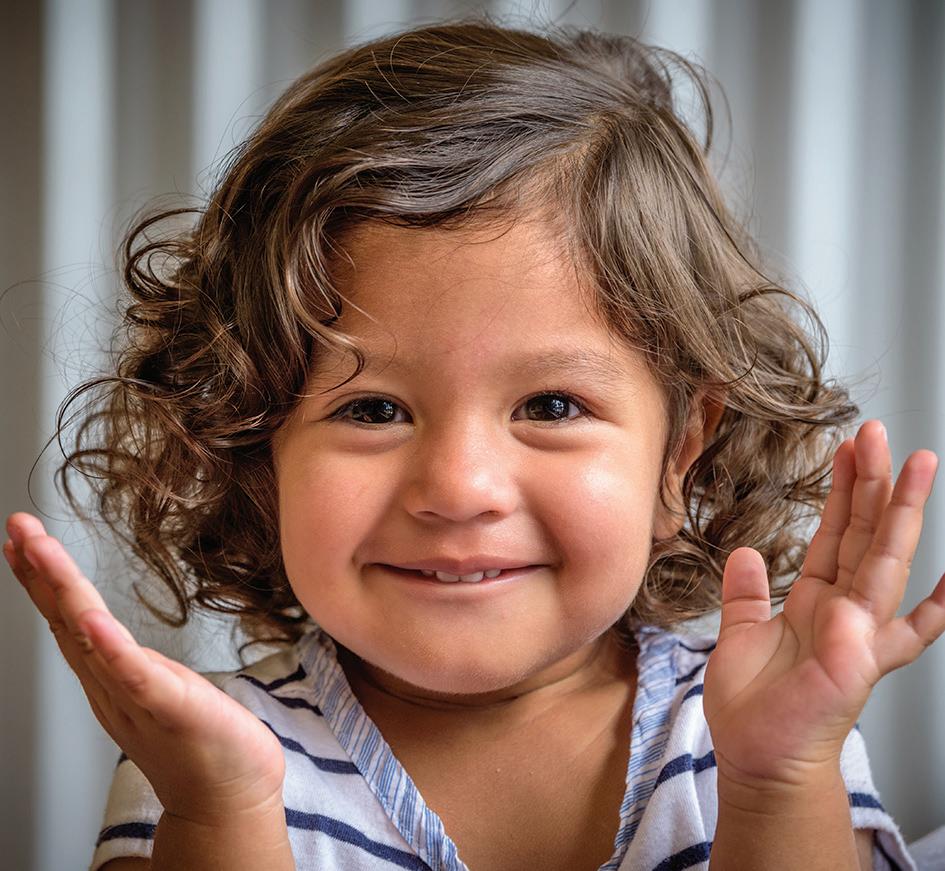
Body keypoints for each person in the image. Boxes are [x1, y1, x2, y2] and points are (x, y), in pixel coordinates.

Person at [5, 18, 943, 871]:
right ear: (254, 445)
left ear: (678, 455)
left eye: (550, 404)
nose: (458, 487)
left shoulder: (764, 729)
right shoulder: (206, 758)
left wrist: (778, 782)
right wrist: (222, 816)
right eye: (373, 410)